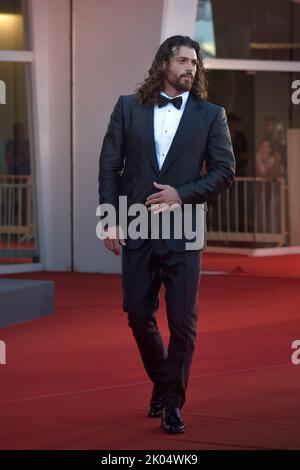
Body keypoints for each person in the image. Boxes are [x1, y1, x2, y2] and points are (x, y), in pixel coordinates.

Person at [98, 35, 235, 434]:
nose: (190, 68)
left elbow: (225, 170)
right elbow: (110, 166)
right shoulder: (127, 107)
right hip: (137, 226)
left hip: (185, 227)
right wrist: (109, 220)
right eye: (182, 61)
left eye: (194, 62)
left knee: (183, 324)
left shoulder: (211, 115)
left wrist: (182, 194)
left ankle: (172, 403)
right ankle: (163, 380)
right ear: (163, 64)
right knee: (138, 315)